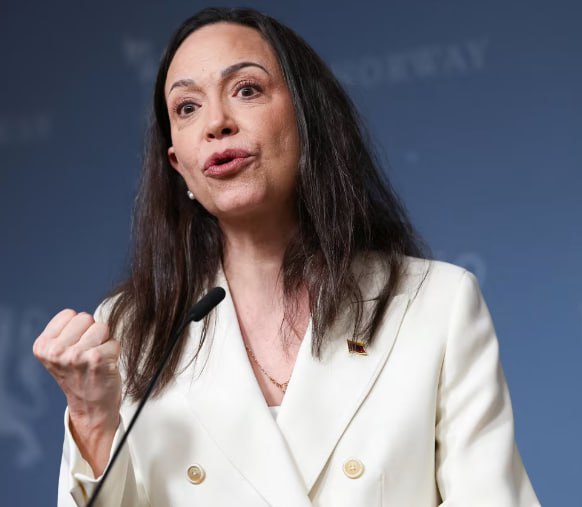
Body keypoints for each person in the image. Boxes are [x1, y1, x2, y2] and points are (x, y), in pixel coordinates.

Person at [33, 7, 540, 506]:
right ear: (178, 165)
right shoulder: (130, 330)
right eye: (187, 107)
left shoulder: (438, 304)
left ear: (306, 118)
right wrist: (93, 422)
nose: (216, 123)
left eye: (246, 90)